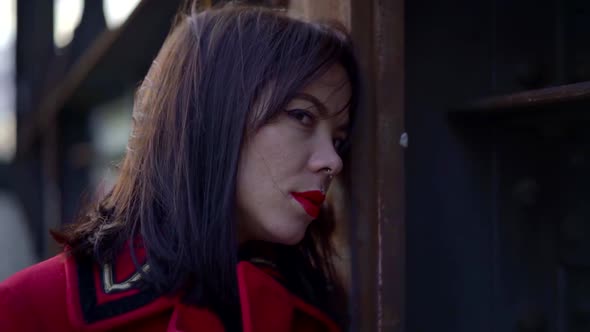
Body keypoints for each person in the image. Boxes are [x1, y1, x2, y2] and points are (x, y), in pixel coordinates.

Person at [0, 3, 360, 331]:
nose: (333, 161)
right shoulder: (29, 309)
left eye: (339, 139)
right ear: (215, 114)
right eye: (302, 116)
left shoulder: (315, 314)